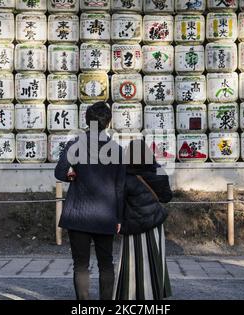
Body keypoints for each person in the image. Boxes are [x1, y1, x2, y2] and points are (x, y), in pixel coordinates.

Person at [54, 102, 125, 300]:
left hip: (78, 212)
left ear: (86, 120)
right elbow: (120, 187)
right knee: (106, 263)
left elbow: (59, 172)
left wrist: (71, 176)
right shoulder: (117, 150)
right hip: (106, 214)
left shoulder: (75, 144)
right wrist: (119, 217)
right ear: (108, 123)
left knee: (80, 265)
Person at [113, 139, 172, 300]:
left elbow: (118, 201)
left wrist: (117, 220)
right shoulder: (158, 171)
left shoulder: (124, 175)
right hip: (154, 224)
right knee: (155, 259)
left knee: (132, 262)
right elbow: (166, 197)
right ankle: (155, 293)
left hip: (132, 224)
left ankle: (130, 294)